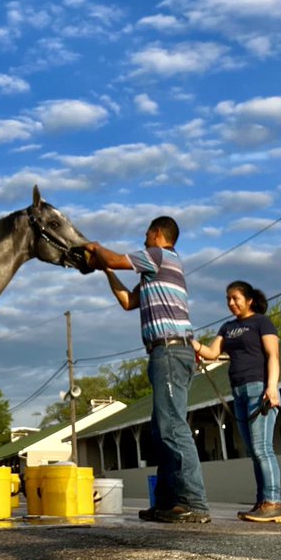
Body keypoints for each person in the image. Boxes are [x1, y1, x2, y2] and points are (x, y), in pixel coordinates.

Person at [84, 216, 211, 524]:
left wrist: (95, 247)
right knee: (161, 428)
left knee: (173, 427)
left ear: (157, 234)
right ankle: (168, 501)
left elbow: (113, 256)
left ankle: (193, 500)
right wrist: (107, 270)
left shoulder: (159, 256)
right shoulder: (154, 273)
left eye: (145, 234)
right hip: (166, 352)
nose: (143, 239)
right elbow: (128, 302)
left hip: (170, 350)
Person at [193, 280, 281, 523]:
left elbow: (273, 355)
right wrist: (191, 343)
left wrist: (272, 387)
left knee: (262, 448)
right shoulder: (227, 327)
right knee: (253, 451)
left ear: (249, 299)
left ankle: (273, 502)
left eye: (235, 298)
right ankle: (261, 501)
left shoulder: (261, 322)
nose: (231, 303)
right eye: (228, 299)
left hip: (260, 389)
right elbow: (212, 353)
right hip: (239, 391)